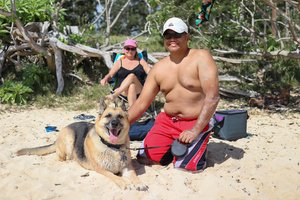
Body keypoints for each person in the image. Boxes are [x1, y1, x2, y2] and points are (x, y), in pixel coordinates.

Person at [127, 17, 220, 170]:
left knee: (186, 167)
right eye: (168, 36)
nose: (172, 39)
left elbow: (213, 97)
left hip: (194, 122)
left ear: (187, 36)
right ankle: (173, 147)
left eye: (177, 35)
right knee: (145, 158)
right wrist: (121, 124)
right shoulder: (159, 67)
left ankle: (197, 142)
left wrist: (195, 130)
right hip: (167, 121)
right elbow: (142, 103)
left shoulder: (201, 57)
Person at [100, 39, 151, 107]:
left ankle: (115, 95)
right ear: (124, 50)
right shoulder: (119, 62)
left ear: (135, 50)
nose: (130, 51)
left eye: (132, 49)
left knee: (132, 76)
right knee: (131, 86)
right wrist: (105, 79)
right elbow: (110, 74)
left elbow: (149, 71)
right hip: (123, 91)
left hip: (138, 90)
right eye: (127, 48)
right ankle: (132, 113)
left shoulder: (140, 61)